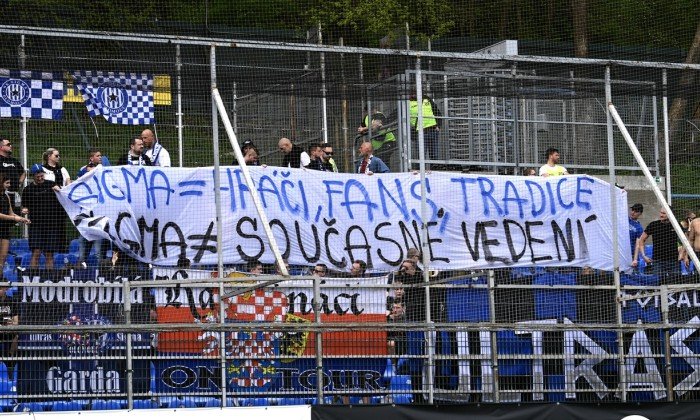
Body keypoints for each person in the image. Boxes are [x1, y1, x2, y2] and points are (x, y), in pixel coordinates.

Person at [21, 164, 63, 269]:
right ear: (33, 176)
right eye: (37, 176)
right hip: (36, 225)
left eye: (41, 176)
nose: (40, 178)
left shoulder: (51, 185)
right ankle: (32, 279)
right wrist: (24, 210)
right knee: (36, 252)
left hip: (51, 225)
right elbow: (24, 207)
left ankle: (49, 279)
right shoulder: (27, 189)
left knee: (49, 254)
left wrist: (59, 190)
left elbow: (63, 195)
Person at [76, 149, 109, 266]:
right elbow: (78, 183)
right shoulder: (83, 170)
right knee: (83, 244)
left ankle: (101, 273)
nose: (100, 157)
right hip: (86, 215)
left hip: (100, 215)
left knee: (99, 249)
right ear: (91, 158)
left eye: (101, 156)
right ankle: (81, 269)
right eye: (98, 156)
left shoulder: (104, 169)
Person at [637, 208, 681, 278]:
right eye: (660, 212)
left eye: (664, 213)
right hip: (658, 261)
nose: (661, 215)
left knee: (675, 282)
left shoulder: (676, 225)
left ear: (670, 214)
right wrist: (643, 255)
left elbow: (686, 240)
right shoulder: (654, 225)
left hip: (674, 260)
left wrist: (682, 254)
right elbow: (641, 240)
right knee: (659, 283)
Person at [0, 174, 30, 273]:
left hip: (4, 229)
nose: (9, 185)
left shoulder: (6, 196)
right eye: (7, 183)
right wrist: (14, 218)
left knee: (2, 258)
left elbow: (11, 212)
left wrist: (22, 219)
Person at [409, 95, 442, 161]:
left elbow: (437, 112)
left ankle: (435, 170)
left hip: (432, 130)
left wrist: (438, 125)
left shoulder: (427, 99)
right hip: (420, 132)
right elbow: (397, 113)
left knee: (434, 155)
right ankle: (421, 171)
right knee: (421, 156)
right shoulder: (407, 102)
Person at [0, 138, 25, 210]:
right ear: (1, 147)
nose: (11, 146)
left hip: (14, 194)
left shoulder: (14, 160)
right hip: (2, 195)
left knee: (16, 215)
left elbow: (23, 172)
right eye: (8, 144)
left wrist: (19, 182)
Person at [0, 285, 19, 379]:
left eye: (1, 288)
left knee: (11, 351)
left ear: (6, 289)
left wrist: (12, 324)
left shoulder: (11, 301)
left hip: (9, 333)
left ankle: (10, 378)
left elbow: (16, 321)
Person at [629, 204, 644, 269]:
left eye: (636, 211)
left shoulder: (639, 228)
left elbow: (637, 245)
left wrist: (635, 259)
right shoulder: (623, 220)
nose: (633, 212)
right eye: (632, 210)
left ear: (640, 213)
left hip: (631, 254)